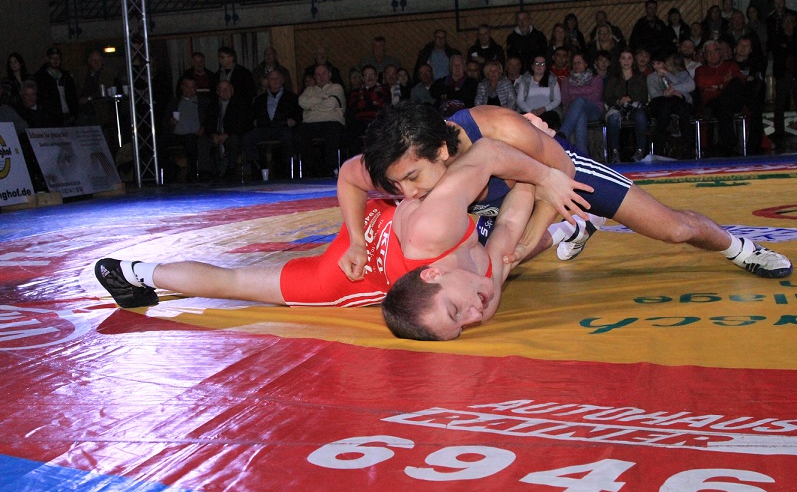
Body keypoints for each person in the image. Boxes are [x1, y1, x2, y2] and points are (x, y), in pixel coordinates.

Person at [351, 103, 793, 339]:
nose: (407, 193)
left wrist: (538, 226)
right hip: (503, 196)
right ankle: (571, 228)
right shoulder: (404, 161)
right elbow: (348, 178)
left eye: (412, 179)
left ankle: (739, 248)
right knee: (491, 261)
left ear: (443, 152)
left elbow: (558, 174)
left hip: (555, 173)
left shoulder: (501, 129)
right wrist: (356, 239)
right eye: (396, 184)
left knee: (674, 229)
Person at [93, 137, 578, 336]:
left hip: (350, 268)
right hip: (369, 244)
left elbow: (493, 168)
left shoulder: (436, 230)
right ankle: (567, 229)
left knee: (237, 282)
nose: (475, 314)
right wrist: (542, 169)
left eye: (458, 314)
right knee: (501, 232)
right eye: (463, 318)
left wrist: (539, 166)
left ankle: (131, 272)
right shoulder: (480, 288)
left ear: (433, 275)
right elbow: (508, 227)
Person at [243, 70, 302, 178]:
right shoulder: (259, 99)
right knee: (248, 138)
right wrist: (255, 121)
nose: (275, 81)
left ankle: (287, 169)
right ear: (268, 81)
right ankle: (258, 168)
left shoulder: (292, 97)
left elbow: (298, 115)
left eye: (277, 78)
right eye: (272, 79)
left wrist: (293, 121)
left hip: (283, 128)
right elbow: (252, 116)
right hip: (264, 129)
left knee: (289, 137)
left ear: (282, 80)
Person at [694, 39, 747, 156]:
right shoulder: (700, 70)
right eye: (708, 53)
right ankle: (729, 145)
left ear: (720, 52)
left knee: (734, 86)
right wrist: (723, 81)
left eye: (714, 51)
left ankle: (728, 145)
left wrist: (717, 86)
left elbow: (739, 80)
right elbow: (702, 83)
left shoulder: (731, 65)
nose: (712, 55)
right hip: (713, 104)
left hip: (731, 101)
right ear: (704, 56)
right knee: (724, 106)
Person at [297, 64, 347, 177]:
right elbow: (301, 101)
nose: (321, 76)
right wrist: (323, 100)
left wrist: (311, 107)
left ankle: (331, 169)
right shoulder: (309, 89)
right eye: (318, 74)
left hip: (332, 123)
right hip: (310, 124)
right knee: (300, 134)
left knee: (332, 132)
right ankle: (310, 171)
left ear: (329, 74)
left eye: (324, 73)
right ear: (315, 77)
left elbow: (332, 103)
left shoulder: (337, 88)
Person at [604, 49, 649, 163]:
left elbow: (644, 96)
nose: (626, 61)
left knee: (641, 116)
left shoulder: (640, 77)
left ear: (633, 60)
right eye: (623, 58)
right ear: (619, 60)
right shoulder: (613, 78)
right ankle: (615, 152)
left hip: (635, 107)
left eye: (629, 58)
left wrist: (630, 99)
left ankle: (640, 151)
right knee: (613, 118)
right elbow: (607, 97)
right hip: (618, 107)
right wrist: (619, 101)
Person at [648, 52, 695, 157]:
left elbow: (690, 86)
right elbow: (655, 95)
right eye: (653, 64)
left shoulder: (678, 74)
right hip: (662, 104)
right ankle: (660, 148)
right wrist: (670, 93)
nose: (656, 66)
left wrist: (673, 89)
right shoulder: (652, 77)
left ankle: (687, 148)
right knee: (666, 108)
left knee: (682, 109)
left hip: (680, 104)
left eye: (659, 63)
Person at [770, 13, 797, 139]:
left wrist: (787, 48)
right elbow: (777, 53)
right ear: (782, 24)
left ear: (795, 23)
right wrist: (790, 49)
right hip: (783, 74)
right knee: (780, 104)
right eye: (786, 22)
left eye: (791, 21)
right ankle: (779, 131)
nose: (788, 24)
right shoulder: (777, 38)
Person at [164, 77, 210, 182]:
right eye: (187, 87)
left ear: (196, 88)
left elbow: (210, 118)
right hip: (176, 135)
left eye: (192, 87)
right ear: (182, 87)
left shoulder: (203, 102)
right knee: (160, 143)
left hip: (194, 135)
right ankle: (167, 174)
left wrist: (204, 128)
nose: (189, 90)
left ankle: (193, 174)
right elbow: (165, 121)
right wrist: (170, 122)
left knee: (192, 142)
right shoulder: (174, 102)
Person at [558, 52, 605, 155]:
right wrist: (587, 91)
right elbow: (565, 100)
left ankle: (563, 133)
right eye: (574, 63)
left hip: (594, 110)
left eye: (579, 62)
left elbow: (595, 97)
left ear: (586, 64)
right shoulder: (566, 81)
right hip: (573, 112)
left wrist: (575, 94)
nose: (576, 65)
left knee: (579, 101)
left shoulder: (596, 79)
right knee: (581, 114)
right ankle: (583, 154)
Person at [204, 80, 250, 180]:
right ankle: (206, 172)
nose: (224, 91)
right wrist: (213, 134)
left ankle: (231, 168)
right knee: (203, 141)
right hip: (216, 133)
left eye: (227, 88)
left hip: (232, 134)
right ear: (217, 92)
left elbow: (243, 123)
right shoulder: (212, 105)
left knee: (234, 140)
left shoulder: (240, 103)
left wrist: (227, 134)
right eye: (221, 89)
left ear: (232, 90)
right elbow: (207, 123)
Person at [345, 65, 389, 154]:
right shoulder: (355, 92)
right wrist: (373, 101)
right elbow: (354, 106)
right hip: (359, 122)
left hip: (377, 120)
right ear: (362, 78)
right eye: (367, 75)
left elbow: (382, 102)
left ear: (376, 76)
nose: (370, 77)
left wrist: (363, 99)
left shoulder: (384, 88)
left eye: (372, 74)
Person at [34, 46, 78, 127]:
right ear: (48, 59)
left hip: (67, 115)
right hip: (51, 117)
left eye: (57, 58)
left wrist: (74, 114)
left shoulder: (66, 77)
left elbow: (72, 97)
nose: (55, 60)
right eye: (52, 58)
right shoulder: (41, 77)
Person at [515, 55, 560, 127]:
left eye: (542, 64)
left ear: (545, 67)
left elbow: (557, 99)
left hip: (547, 112)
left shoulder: (552, 80)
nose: (539, 66)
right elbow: (520, 100)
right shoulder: (525, 80)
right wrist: (530, 110)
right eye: (536, 63)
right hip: (528, 112)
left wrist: (545, 108)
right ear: (532, 66)